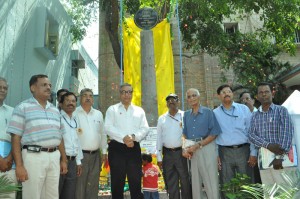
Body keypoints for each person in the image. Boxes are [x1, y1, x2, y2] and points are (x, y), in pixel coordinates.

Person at [8, 74, 68, 199]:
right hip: (33, 157)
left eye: (50, 85)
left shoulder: (55, 110)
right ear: (33, 88)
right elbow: (16, 138)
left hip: (54, 157)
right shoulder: (22, 108)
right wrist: (19, 165)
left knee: (52, 196)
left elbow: (60, 136)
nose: (48, 87)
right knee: (32, 195)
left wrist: (63, 159)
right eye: (44, 85)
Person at [105, 83, 149, 199]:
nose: (127, 95)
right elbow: (108, 127)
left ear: (132, 94)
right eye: (124, 92)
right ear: (120, 94)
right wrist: (123, 138)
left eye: (129, 92)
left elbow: (145, 128)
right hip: (116, 149)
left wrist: (133, 137)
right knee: (117, 184)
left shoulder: (139, 111)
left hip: (134, 148)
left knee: (135, 183)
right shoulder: (112, 109)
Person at [213, 85, 257, 193]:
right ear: (218, 96)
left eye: (229, 91)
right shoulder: (215, 113)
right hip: (224, 153)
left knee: (247, 183)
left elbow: (251, 131)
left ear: (232, 94)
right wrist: (216, 155)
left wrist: (253, 152)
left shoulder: (243, 109)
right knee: (226, 184)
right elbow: (213, 136)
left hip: (244, 151)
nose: (227, 94)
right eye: (223, 92)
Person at [249, 82, 294, 183]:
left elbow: (286, 134)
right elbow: (251, 135)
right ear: (257, 96)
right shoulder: (255, 115)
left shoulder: (281, 111)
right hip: (263, 159)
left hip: (281, 158)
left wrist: (279, 157)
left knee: (285, 191)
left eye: (266, 92)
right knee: (268, 191)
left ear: (272, 94)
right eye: (261, 92)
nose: (264, 94)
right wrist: (268, 145)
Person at [182, 88, 221, 199]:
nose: (191, 98)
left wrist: (198, 145)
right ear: (187, 100)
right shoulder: (186, 115)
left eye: (194, 95)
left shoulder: (208, 112)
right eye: (189, 96)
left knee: (210, 181)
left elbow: (214, 133)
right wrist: (184, 149)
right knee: (195, 183)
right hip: (192, 150)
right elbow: (184, 134)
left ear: (199, 97)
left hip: (206, 147)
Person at [156, 93, 192, 199]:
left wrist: (188, 150)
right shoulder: (162, 118)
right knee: (171, 181)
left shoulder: (185, 115)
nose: (171, 102)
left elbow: (189, 134)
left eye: (173, 100)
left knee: (185, 180)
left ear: (178, 102)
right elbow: (159, 138)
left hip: (182, 153)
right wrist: (159, 157)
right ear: (166, 104)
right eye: (169, 100)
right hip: (167, 154)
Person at [75, 88, 107, 199]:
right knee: (80, 185)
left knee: (93, 185)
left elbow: (103, 133)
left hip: (96, 155)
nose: (88, 98)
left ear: (93, 99)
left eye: (90, 96)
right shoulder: (74, 113)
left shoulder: (98, 114)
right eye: (85, 95)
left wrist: (104, 151)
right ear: (80, 98)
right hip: (80, 156)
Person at [59, 92, 83, 199]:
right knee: (56, 192)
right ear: (61, 103)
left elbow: (78, 141)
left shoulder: (75, 119)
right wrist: (62, 160)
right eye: (67, 101)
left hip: (73, 162)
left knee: (69, 194)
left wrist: (78, 162)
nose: (71, 103)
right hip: (59, 161)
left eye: (73, 101)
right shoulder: (57, 117)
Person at [239, 91, 262, 184]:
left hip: (262, 150)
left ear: (253, 100)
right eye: (242, 100)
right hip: (247, 151)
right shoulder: (240, 116)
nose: (245, 101)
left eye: (247, 98)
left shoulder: (260, 114)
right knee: (252, 178)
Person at [0, 77, 17, 199]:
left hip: (9, 164)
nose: (2, 90)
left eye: (5, 88)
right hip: (2, 161)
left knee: (7, 196)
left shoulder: (13, 112)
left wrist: (9, 159)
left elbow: (17, 138)